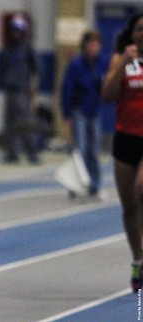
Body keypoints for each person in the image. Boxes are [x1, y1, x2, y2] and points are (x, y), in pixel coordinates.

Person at [101, 13, 143, 293]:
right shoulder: (121, 60)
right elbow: (106, 95)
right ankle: (138, 261)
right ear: (132, 33)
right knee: (129, 206)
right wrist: (123, 64)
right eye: (139, 29)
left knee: (141, 191)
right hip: (125, 139)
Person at [61, 30, 109, 199]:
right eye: (91, 44)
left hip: (94, 111)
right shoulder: (75, 65)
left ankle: (94, 186)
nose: (94, 48)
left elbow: (107, 84)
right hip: (78, 110)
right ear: (85, 46)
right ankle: (75, 185)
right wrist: (66, 113)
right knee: (79, 148)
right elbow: (66, 89)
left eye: (97, 45)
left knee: (93, 150)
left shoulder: (103, 63)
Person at [0, 13, 40, 165]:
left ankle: (32, 153)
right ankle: (12, 153)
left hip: (22, 90)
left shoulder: (26, 49)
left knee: (25, 122)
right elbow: (0, 70)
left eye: (18, 30)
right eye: (14, 30)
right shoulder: (7, 49)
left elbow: (35, 70)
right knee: (10, 123)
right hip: (9, 90)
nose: (15, 33)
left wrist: (33, 89)